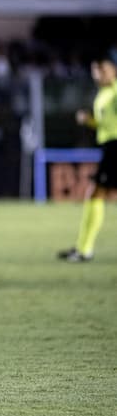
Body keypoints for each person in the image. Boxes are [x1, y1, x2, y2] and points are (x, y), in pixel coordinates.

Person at [58, 55, 117, 262]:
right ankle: (83, 248)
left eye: (102, 70)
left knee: (95, 194)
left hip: (115, 147)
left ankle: (85, 249)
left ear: (112, 70)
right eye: (95, 71)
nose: (99, 75)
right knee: (95, 195)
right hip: (109, 146)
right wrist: (89, 121)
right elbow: (106, 125)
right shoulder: (103, 94)